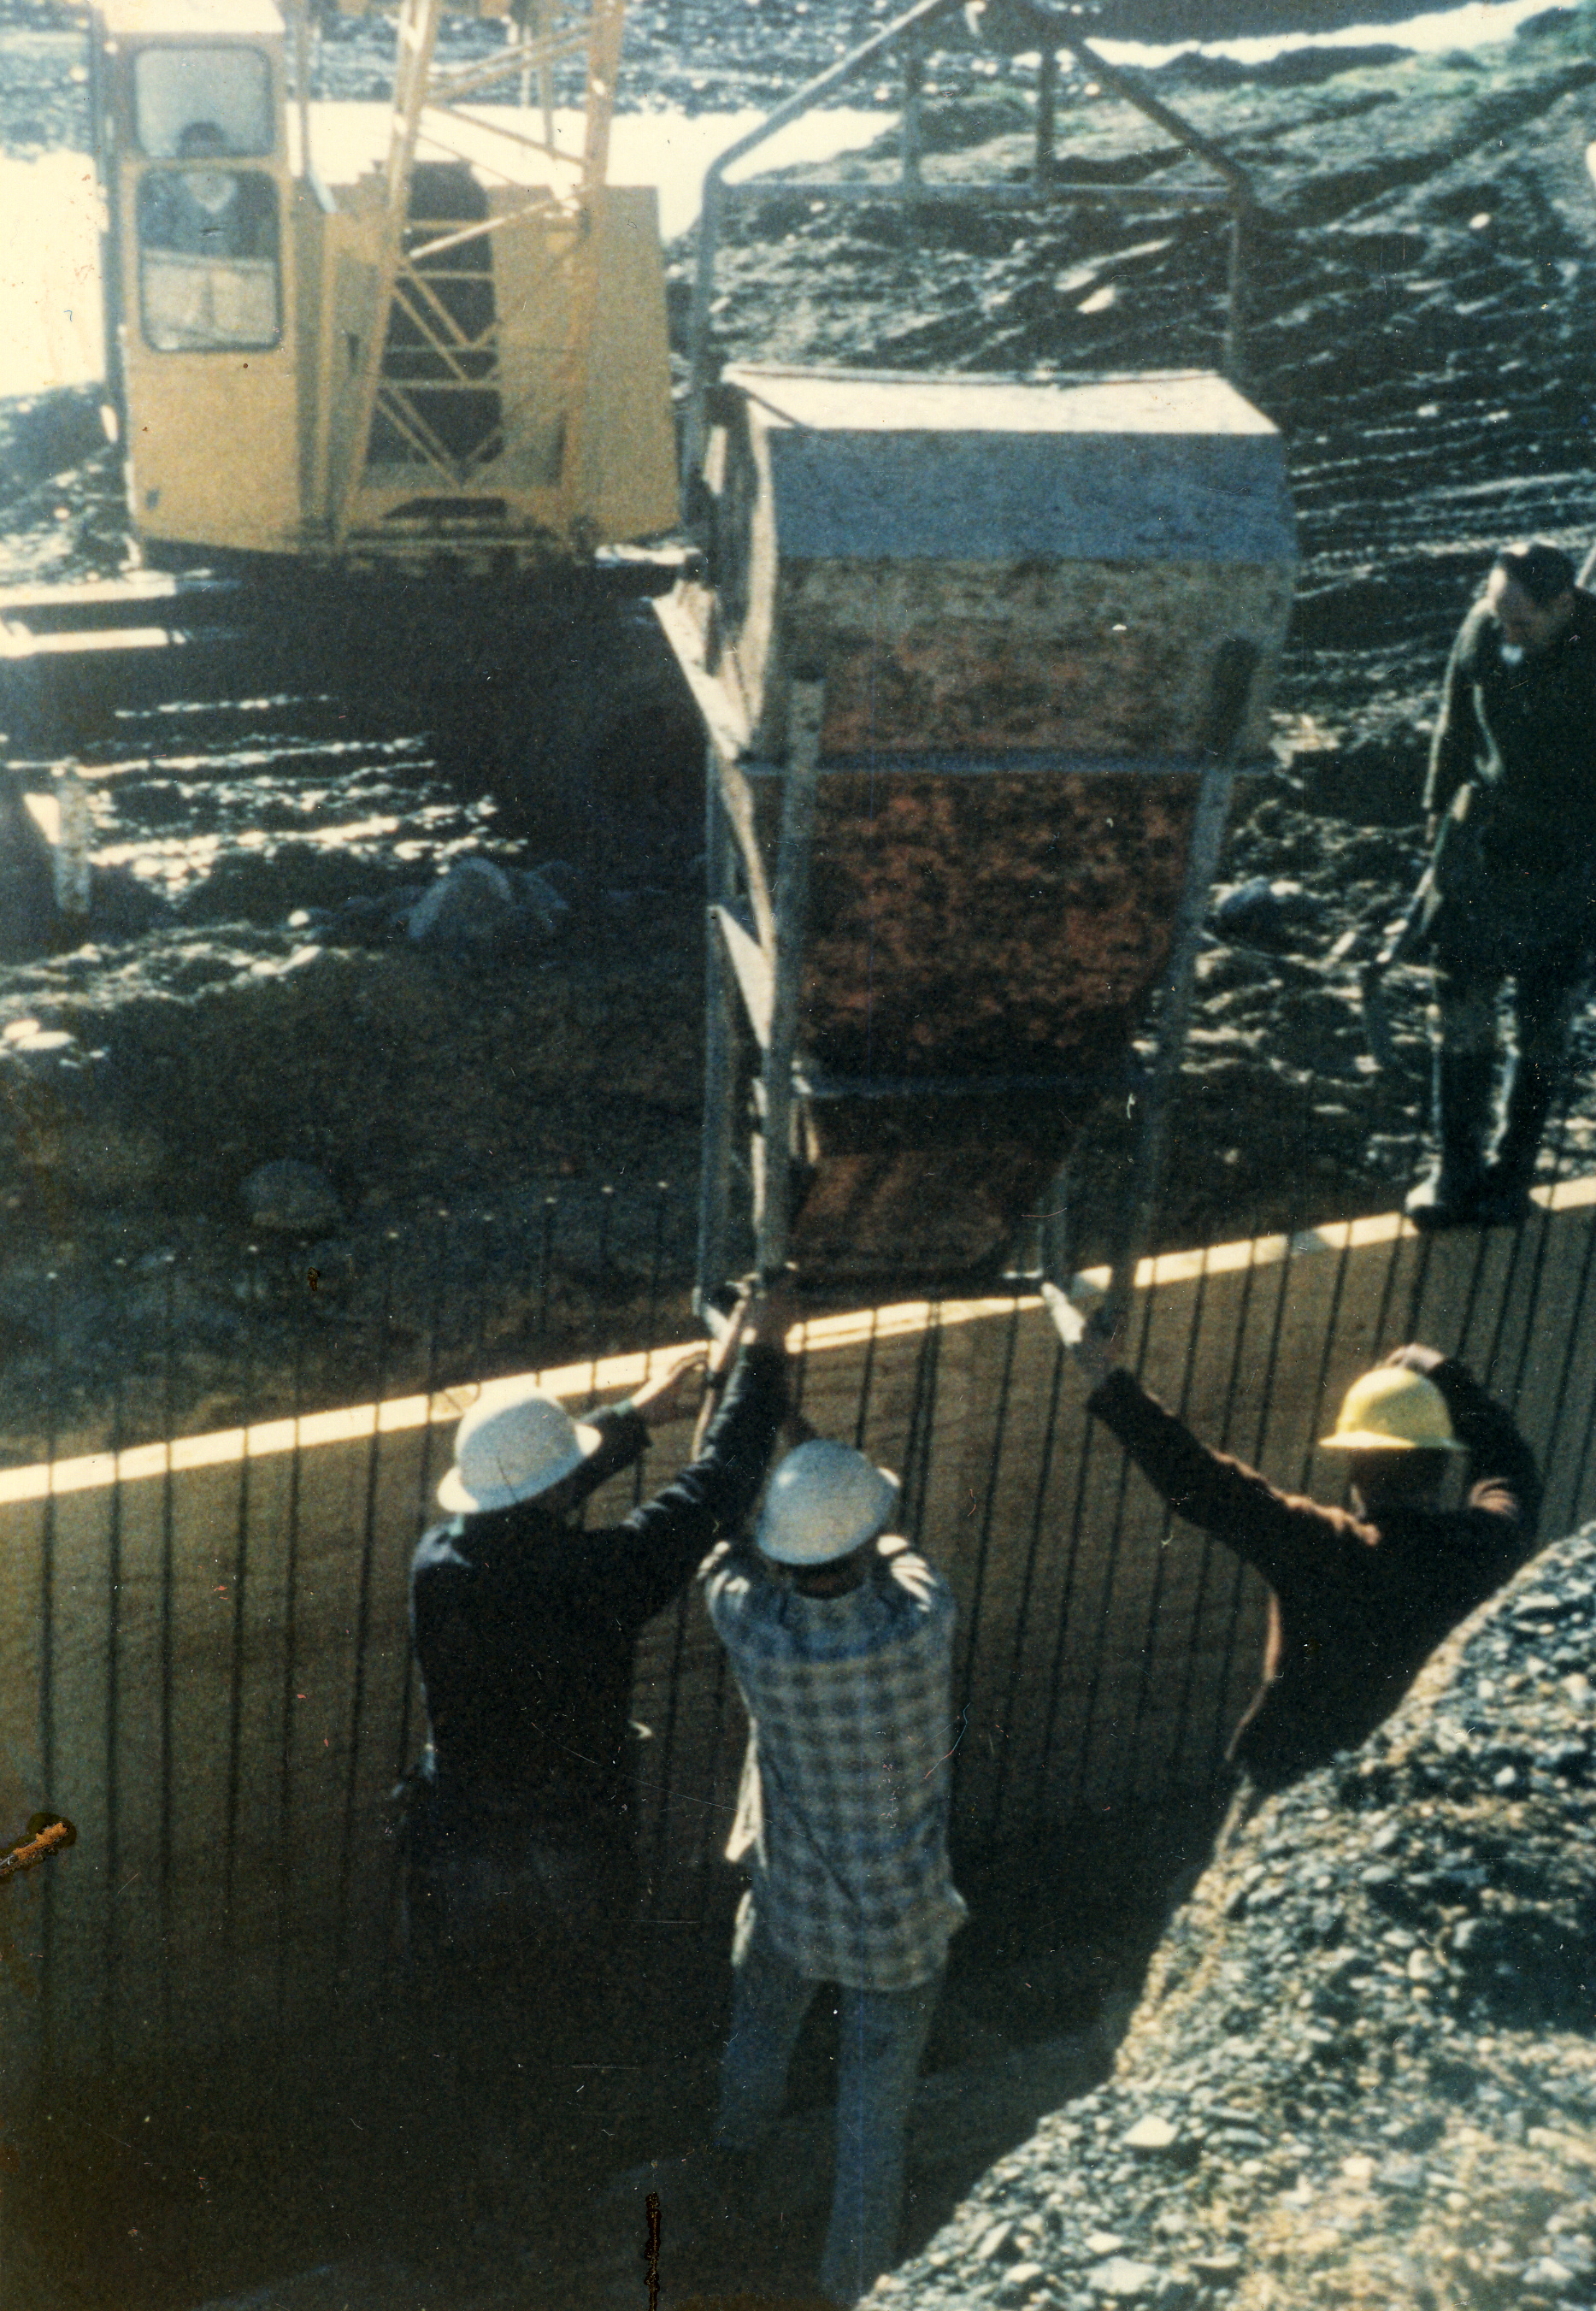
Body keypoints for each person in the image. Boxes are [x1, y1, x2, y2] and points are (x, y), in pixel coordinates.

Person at [403, 1283, 792, 2247]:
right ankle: (558, 2214)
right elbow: (719, 1483)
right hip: (569, 1844)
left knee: (474, 2028)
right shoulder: (602, 1577)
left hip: (457, 1835)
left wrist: (629, 1419)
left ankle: (472, 2212)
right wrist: (766, 1357)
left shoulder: (437, 1560)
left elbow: (524, 1505)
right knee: (570, 2023)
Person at [697, 1437, 969, 2308]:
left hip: (791, 1907)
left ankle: (732, 2163)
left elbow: (719, 1551)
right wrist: (853, 1509)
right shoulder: (925, 1623)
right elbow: (899, 1548)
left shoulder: (755, 1633)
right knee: (871, 2127)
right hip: (902, 1923)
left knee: (759, 2037)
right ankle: (851, 2290)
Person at [1067, 1323, 1540, 1803]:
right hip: (1424, 1782)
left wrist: (1110, 1383)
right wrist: (1439, 1369)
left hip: (1294, 1787)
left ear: (1355, 1465)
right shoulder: (1481, 1544)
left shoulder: (1324, 1546)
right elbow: (1511, 1464)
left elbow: (1201, 1482)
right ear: (1442, 1465)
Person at [1407, 539, 1596, 1229]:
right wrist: (1435, 813)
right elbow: (1455, 720)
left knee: (1544, 1023)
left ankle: (1509, 1172)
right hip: (1483, 844)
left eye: (1522, 622)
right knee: (1460, 1009)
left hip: (1570, 861)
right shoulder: (1484, 626)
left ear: (1564, 604)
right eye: (1499, 615)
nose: (1506, 632)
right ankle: (1453, 1168)